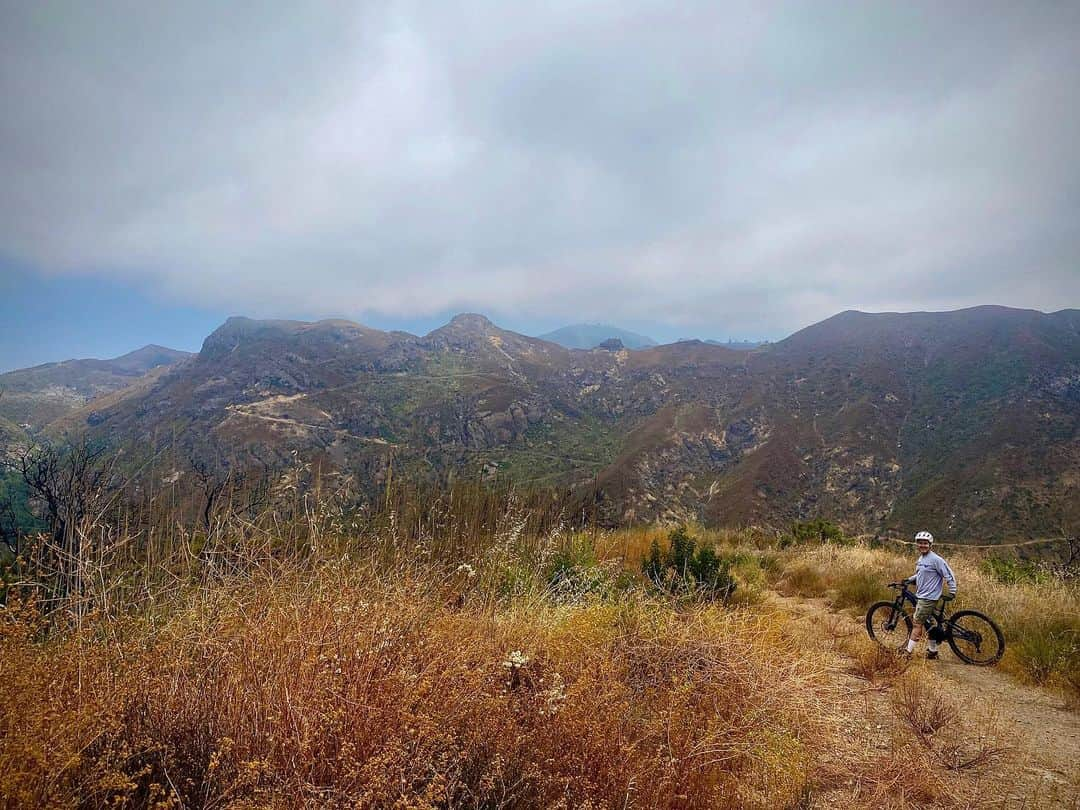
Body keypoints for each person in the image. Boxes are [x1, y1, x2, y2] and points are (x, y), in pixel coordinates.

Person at [901, 530, 957, 659]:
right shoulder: (922, 559)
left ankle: (907, 653)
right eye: (920, 543)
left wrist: (952, 591)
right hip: (923, 595)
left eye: (925, 543)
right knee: (929, 624)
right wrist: (909, 579)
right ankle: (933, 651)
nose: (923, 545)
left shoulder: (936, 560)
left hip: (928, 598)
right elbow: (921, 574)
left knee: (917, 623)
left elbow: (948, 574)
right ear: (917, 544)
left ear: (930, 544)